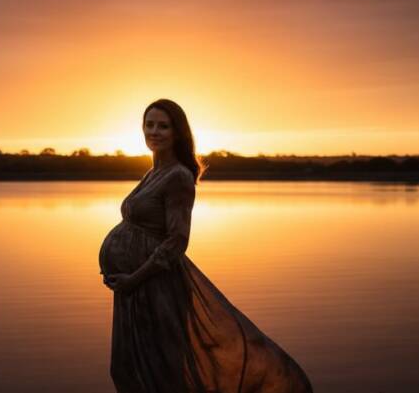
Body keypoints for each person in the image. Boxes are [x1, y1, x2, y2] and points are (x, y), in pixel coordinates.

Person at [98, 98, 314, 393]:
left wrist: (133, 279)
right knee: (127, 369)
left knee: (161, 371)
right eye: (149, 125)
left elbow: (176, 242)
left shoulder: (178, 176)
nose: (155, 131)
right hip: (133, 290)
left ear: (178, 133)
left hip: (154, 287)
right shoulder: (152, 173)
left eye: (163, 126)